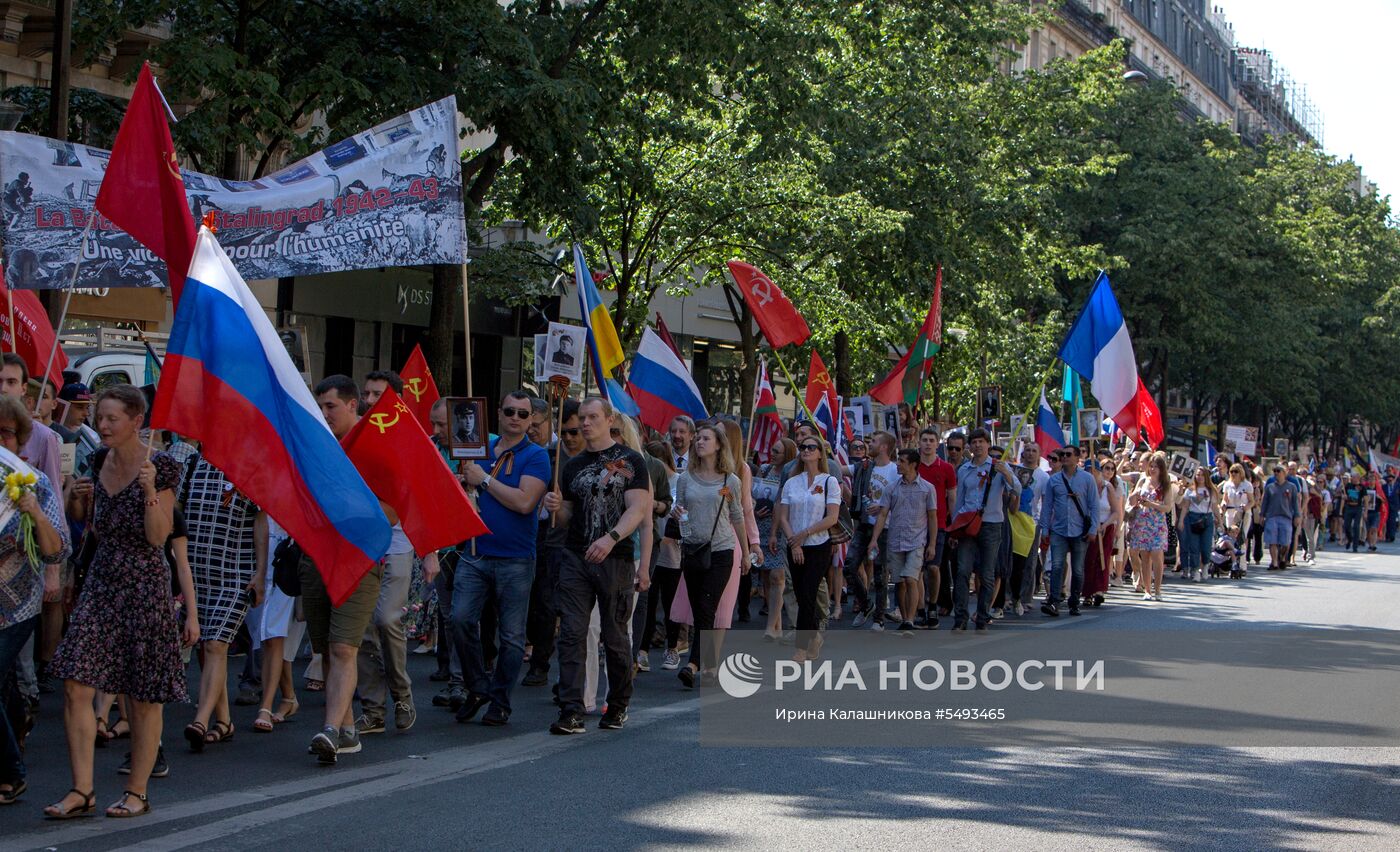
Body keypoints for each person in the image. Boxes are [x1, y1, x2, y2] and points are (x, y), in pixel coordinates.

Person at [46, 385, 181, 819]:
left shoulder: (162, 466)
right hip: (102, 579)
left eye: (111, 419)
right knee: (75, 683)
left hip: (144, 584)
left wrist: (149, 492)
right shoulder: (98, 459)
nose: (101, 426)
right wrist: (78, 500)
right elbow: (93, 525)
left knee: (142, 695)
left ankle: (137, 791)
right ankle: (82, 790)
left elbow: (158, 536)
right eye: (99, 418)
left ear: (136, 421)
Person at [301, 377, 400, 765]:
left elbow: (392, 511)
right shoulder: (317, 446)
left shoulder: (374, 448)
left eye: (331, 406)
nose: (324, 414)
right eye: (320, 406)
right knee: (326, 646)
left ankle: (328, 729)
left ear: (353, 405)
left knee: (345, 646)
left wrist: (350, 512)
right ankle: (344, 729)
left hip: (360, 559)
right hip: (316, 556)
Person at [543, 397, 651, 735]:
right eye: (582, 418)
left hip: (615, 559)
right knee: (573, 633)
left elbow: (638, 510)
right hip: (576, 556)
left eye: (592, 417)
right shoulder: (572, 465)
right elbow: (566, 519)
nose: (585, 424)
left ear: (608, 420)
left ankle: (618, 704)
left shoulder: (632, 462)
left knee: (615, 635)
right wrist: (555, 507)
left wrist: (612, 538)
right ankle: (571, 709)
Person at [451, 391, 550, 727]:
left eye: (523, 414)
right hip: (475, 553)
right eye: (510, 411)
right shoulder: (475, 449)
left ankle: (500, 700)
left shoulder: (536, 456)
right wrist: (462, 482)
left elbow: (524, 503)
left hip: (515, 558)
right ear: (498, 413)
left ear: (531, 420)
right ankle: (478, 686)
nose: (516, 418)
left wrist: (485, 479)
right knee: (460, 620)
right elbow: (463, 492)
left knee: (510, 637)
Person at [0, 396, 68, 806]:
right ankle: (19, 716)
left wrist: (34, 512)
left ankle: (11, 772)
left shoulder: (33, 482)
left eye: (5, 432)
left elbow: (56, 550)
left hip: (16, 606)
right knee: (4, 684)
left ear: (21, 438)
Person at [182, 458, 267, 751]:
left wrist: (260, 572)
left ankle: (201, 720)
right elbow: (177, 515)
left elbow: (260, 520)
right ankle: (224, 721)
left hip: (236, 574)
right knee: (208, 645)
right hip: (196, 573)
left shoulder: (249, 465)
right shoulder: (192, 465)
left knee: (217, 644)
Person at [672, 423, 748, 687]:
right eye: (698, 438)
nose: (699, 442)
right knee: (699, 608)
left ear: (719, 445)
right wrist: (680, 520)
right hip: (693, 550)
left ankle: (692, 664)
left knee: (706, 604)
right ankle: (711, 662)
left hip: (722, 552)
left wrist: (746, 553)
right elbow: (680, 510)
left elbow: (737, 517)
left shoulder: (731, 481)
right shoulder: (685, 478)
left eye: (706, 438)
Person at [523, 399, 582, 687]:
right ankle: (535, 656)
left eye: (536, 425)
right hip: (536, 535)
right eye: (528, 425)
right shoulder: (534, 454)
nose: (531, 430)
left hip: (567, 539)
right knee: (536, 600)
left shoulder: (576, 458)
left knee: (556, 603)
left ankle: (551, 667)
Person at [777, 435, 841, 660]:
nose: (806, 450)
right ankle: (814, 636)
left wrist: (805, 534)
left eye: (811, 447)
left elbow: (832, 517)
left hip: (818, 544)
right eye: (802, 447)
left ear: (820, 453)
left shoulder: (828, 482)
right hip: (794, 543)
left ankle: (801, 646)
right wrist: (793, 540)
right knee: (801, 592)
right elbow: (784, 516)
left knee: (809, 591)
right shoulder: (792, 482)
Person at [950, 429, 1019, 630]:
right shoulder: (964, 470)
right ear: (969, 446)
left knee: (987, 573)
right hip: (968, 523)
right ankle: (960, 618)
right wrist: (955, 528)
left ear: (988, 444)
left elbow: (1017, 490)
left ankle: (982, 615)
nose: (978, 445)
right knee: (962, 570)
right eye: (974, 442)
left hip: (991, 524)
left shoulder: (999, 467)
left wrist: (1006, 473)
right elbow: (959, 499)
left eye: (981, 441)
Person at [867, 449, 937, 635]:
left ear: (913, 464)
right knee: (899, 582)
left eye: (902, 461)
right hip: (895, 540)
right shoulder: (892, 488)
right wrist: (874, 539)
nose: (898, 464)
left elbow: (932, 517)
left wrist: (932, 544)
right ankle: (905, 617)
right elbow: (882, 514)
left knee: (910, 578)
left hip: (917, 540)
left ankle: (909, 620)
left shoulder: (927, 488)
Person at [1039, 446, 1097, 617]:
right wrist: (1044, 529)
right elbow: (1047, 506)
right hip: (1059, 530)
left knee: (1078, 569)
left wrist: (1093, 528)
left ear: (1077, 457)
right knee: (1056, 566)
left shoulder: (1087, 479)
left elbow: (1094, 506)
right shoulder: (1054, 480)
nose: (1064, 457)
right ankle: (1054, 601)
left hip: (1080, 531)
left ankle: (1074, 602)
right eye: (1062, 455)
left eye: (1068, 455)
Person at [849, 432, 897, 629]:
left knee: (880, 574)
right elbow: (842, 469)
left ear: (884, 447)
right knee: (849, 566)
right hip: (863, 524)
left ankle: (879, 618)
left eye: (874, 441)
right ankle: (865, 603)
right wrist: (826, 450)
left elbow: (901, 496)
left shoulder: (895, 470)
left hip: (884, 528)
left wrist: (883, 507)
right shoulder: (865, 466)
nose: (870, 444)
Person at [752, 438, 794, 639]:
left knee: (778, 575)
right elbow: (752, 493)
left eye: (777, 451)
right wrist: (754, 509)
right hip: (761, 524)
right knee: (766, 575)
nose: (772, 454)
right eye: (772, 449)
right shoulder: (765, 469)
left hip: (778, 529)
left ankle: (771, 625)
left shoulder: (791, 473)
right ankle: (776, 625)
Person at [917, 427, 957, 626]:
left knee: (933, 568)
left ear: (937, 443)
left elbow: (952, 498)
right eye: (924, 440)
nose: (928, 443)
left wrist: (955, 526)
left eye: (932, 440)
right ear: (919, 443)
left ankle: (933, 604)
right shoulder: (913, 467)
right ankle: (920, 609)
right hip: (915, 525)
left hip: (939, 525)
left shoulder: (947, 468)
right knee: (917, 570)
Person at [1127, 453, 1172, 601]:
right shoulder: (1143, 481)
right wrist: (1136, 494)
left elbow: (1167, 507)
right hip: (1142, 523)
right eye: (1151, 466)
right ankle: (1147, 590)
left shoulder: (1165, 485)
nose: (1152, 469)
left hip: (1157, 524)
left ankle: (1157, 590)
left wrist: (1151, 504)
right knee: (1145, 557)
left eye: (1156, 467)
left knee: (1157, 556)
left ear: (1161, 469)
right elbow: (1132, 500)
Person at [1083, 456, 1123, 603]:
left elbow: (1115, 511)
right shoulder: (1084, 487)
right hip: (1089, 527)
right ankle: (1087, 592)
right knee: (1088, 559)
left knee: (1103, 558)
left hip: (1106, 527)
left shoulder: (1107, 487)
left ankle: (1099, 590)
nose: (1092, 473)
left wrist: (1105, 525)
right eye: (1088, 471)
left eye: (1095, 470)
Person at [1178, 468, 1220, 583]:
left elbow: (1215, 507)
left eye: (1201, 475)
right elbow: (1185, 506)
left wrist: (1220, 520)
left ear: (1206, 476)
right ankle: (1195, 571)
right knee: (1194, 546)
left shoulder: (1211, 490)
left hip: (1207, 518)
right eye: (1197, 475)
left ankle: (1205, 565)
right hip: (1193, 518)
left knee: (1206, 547)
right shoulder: (1190, 490)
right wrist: (1181, 521)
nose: (1199, 477)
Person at [1261, 464, 1300, 570]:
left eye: (1278, 471)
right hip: (1271, 517)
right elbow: (1264, 502)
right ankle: (1274, 562)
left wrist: (1297, 515)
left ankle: (1282, 557)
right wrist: (1262, 515)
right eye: (1275, 471)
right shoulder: (1270, 487)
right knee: (1272, 541)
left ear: (1284, 472)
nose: (1276, 473)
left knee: (1285, 542)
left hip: (1286, 517)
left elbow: (1295, 503)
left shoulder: (1291, 487)